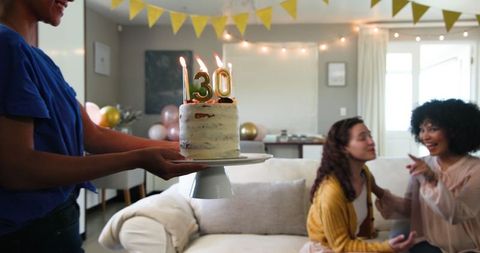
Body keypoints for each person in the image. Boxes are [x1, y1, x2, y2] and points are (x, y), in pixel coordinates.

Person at [0, 1, 206, 252]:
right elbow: (17, 169)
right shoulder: (5, 47)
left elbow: (93, 135)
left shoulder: (39, 58)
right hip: (26, 234)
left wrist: (179, 147)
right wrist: (139, 159)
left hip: (59, 221)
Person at [375, 99, 480, 253]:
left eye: (432, 129)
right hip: (430, 246)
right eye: (421, 130)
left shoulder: (476, 169)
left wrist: (431, 179)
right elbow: (412, 208)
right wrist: (381, 193)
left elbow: (456, 214)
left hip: (471, 248)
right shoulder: (422, 165)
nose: (425, 136)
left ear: (455, 131)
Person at [301, 117, 416, 253]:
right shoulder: (331, 193)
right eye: (362, 138)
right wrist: (386, 247)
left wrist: (417, 210)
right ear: (343, 148)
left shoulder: (364, 173)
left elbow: (384, 197)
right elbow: (342, 246)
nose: (371, 141)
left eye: (370, 135)